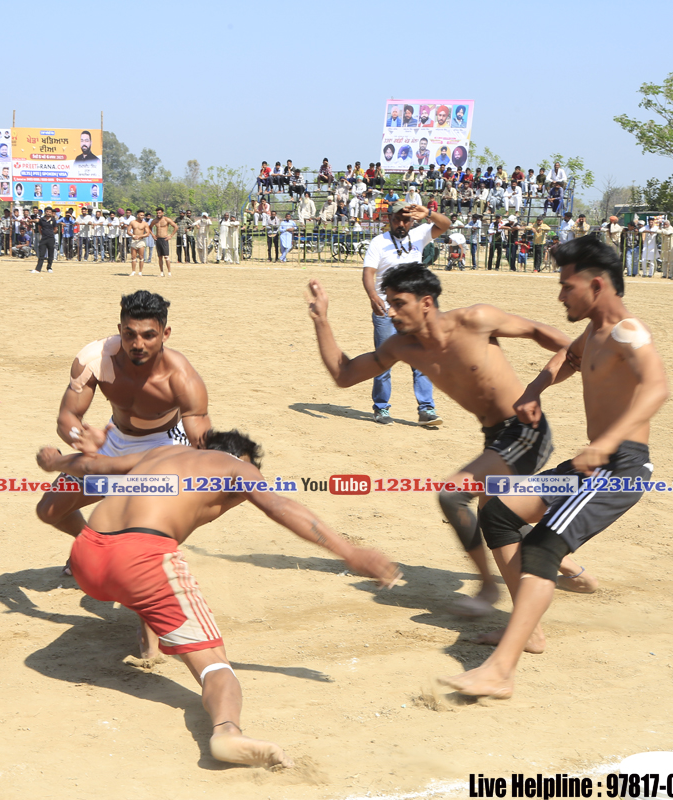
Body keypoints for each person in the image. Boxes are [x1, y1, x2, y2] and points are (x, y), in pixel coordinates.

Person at [35, 427, 400, 768]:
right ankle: (227, 732)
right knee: (216, 667)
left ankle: (149, 643)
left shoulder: (160, 453)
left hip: (87, 555)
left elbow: (94, 467)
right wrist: (349, 552)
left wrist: (55, 462)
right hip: (141, 559)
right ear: (242, 457)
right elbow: (279, 506)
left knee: (143, 581)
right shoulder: (236, 467)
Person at [440, 236, 669, 698]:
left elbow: (657, 387)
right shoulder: (596, 332)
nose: (560, 295)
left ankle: (500, 672)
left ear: (596, 285)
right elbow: (568, 356)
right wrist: (534, 389)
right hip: (594, 464)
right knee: (498, 512)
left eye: (567, 286)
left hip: (619, 468)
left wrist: (605, 443)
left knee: (543, 548)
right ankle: (531, 633)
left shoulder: (628, 331)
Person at [308, 263, 582, 618]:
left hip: (526, 429)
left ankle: (489, 588)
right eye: (389, 303)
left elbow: (539, 331)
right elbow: (345, 375)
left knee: (455, 494)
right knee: (498, 514)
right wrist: (322, 320)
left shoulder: (475, 320)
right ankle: (571, 568)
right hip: (495, 438)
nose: (390, 312)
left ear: (426, 302)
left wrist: (584, 357)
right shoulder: (402, 347)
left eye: (399, 303)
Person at [36, 290, 211, 584]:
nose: (138, 344)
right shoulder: (95, 359)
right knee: (50, 510)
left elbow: (200, 438)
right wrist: (79, 437)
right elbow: (67, 417)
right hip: (113, 440)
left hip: (162, 447)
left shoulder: (181, 377)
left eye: (149, 335)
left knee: (134, 535)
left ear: (165, 334)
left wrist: (211, 464)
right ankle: (91, 545)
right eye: (129, 334)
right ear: (120, 330)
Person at [361, 201, 446, 426]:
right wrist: (373, 295)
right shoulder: (379, 242)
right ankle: (381, 408)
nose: (401, 224)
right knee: (383, 360)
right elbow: (368, 273)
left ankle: (426, 409)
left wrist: (428, 213)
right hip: (386, 310)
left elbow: (445, 224)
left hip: (415, 313)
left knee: (422, 358)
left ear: (412, 221)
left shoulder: (420, 235)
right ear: (389, 219)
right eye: (397, 219)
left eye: (406, 220)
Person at [150, 207, 176, 277]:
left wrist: (171, 236)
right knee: (160, 257)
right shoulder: (155, 221)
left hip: (164, 239)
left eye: (159, 213)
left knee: (166, 256)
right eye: (157, 213)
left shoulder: (166, 219)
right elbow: (150, 227)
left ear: (162, 213)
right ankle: (161, 272)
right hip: (158, 239)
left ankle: (169, 272)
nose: (158, 214)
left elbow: (175, 227)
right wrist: (153, 235)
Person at [32, 206, 59, 273]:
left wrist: (51, 233)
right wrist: (43, 234)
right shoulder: (42, 220)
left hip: (51, 239)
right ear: (45, 212)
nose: (48, 213)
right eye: (47, 211)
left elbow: (55, 229)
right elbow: (39, 228)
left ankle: (49, 268)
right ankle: (38, 269)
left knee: (50, 254)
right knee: (41, 254)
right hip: (44, 239)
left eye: (49, 212)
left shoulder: (53, 220)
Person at [128, 210, 150, 276]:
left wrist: (140, 236)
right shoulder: (132, 222)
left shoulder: (145, 224)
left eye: (143, 215)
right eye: (141, 215)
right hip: (134, 241)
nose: (142, 216)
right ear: (137, 215)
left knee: (141, 256)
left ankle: (140, 271)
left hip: (141, 241)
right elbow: (128, 231)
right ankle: (133, 271)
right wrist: (133, 235)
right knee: (133, 257)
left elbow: (147, 233)